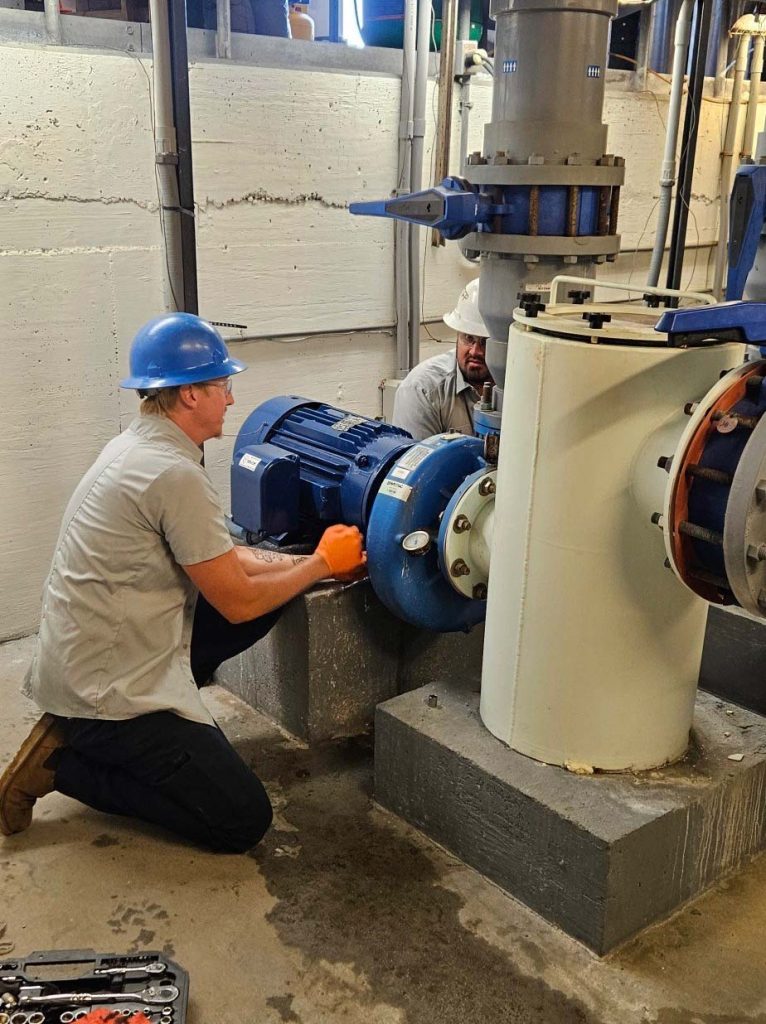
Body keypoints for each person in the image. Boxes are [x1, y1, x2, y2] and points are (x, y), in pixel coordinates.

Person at [0, 313, 365, 853]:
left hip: (92, 655)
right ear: (190, 395)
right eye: (223, 386)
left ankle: (96, 731)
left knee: (273, 597)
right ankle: (66, 765)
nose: (232, 401)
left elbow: (223, 557)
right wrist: (318, 568)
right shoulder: (173, 475)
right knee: (241, 819)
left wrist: (309, 559)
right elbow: (238, 601)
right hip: (109, 690)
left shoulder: (139, 448)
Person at [391, 279, 493, 441]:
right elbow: (420, 464)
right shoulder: (421, 390)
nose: (475, 351)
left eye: (485, 342)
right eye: (468, 338)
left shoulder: (519, 385)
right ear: (457, 335)